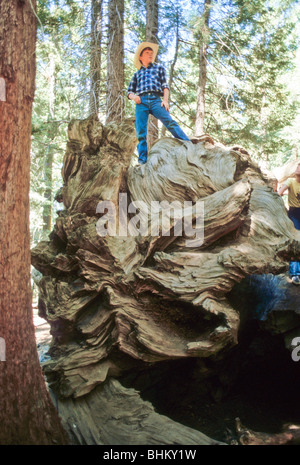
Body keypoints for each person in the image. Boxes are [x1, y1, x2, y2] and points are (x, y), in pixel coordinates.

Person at [127, 42, 190, 164]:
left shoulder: (158, 68)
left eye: (152, 54)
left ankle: (188, 144)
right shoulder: (137, 74)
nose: (150, 55)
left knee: (170, 122)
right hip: (141, 101)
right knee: (140, 132)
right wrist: (134, 97)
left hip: (156, 100)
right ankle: (142, 161)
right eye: (147, 53)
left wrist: (165, 100)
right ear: (141, 57)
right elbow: (129, 92)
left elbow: (165, 86)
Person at [278, 163, 300, 285]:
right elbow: (280, 192)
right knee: (295, 242)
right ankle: (295, 273)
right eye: (298, 167)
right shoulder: (291, 181)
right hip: (294, 213)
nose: (298, 169)